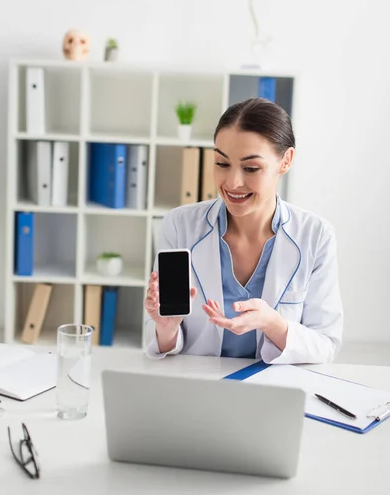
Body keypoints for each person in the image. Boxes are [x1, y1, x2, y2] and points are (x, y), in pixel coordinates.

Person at [145, 98, 343, 364]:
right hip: (198, 388)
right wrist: (166, 328)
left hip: (273, 390)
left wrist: (273, 324)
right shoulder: (180, 226)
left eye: (251, 168)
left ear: (286, 161)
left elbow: (326, 344)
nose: (233, 183)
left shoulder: (316, 236)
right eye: (222, 163)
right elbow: (163, 344)